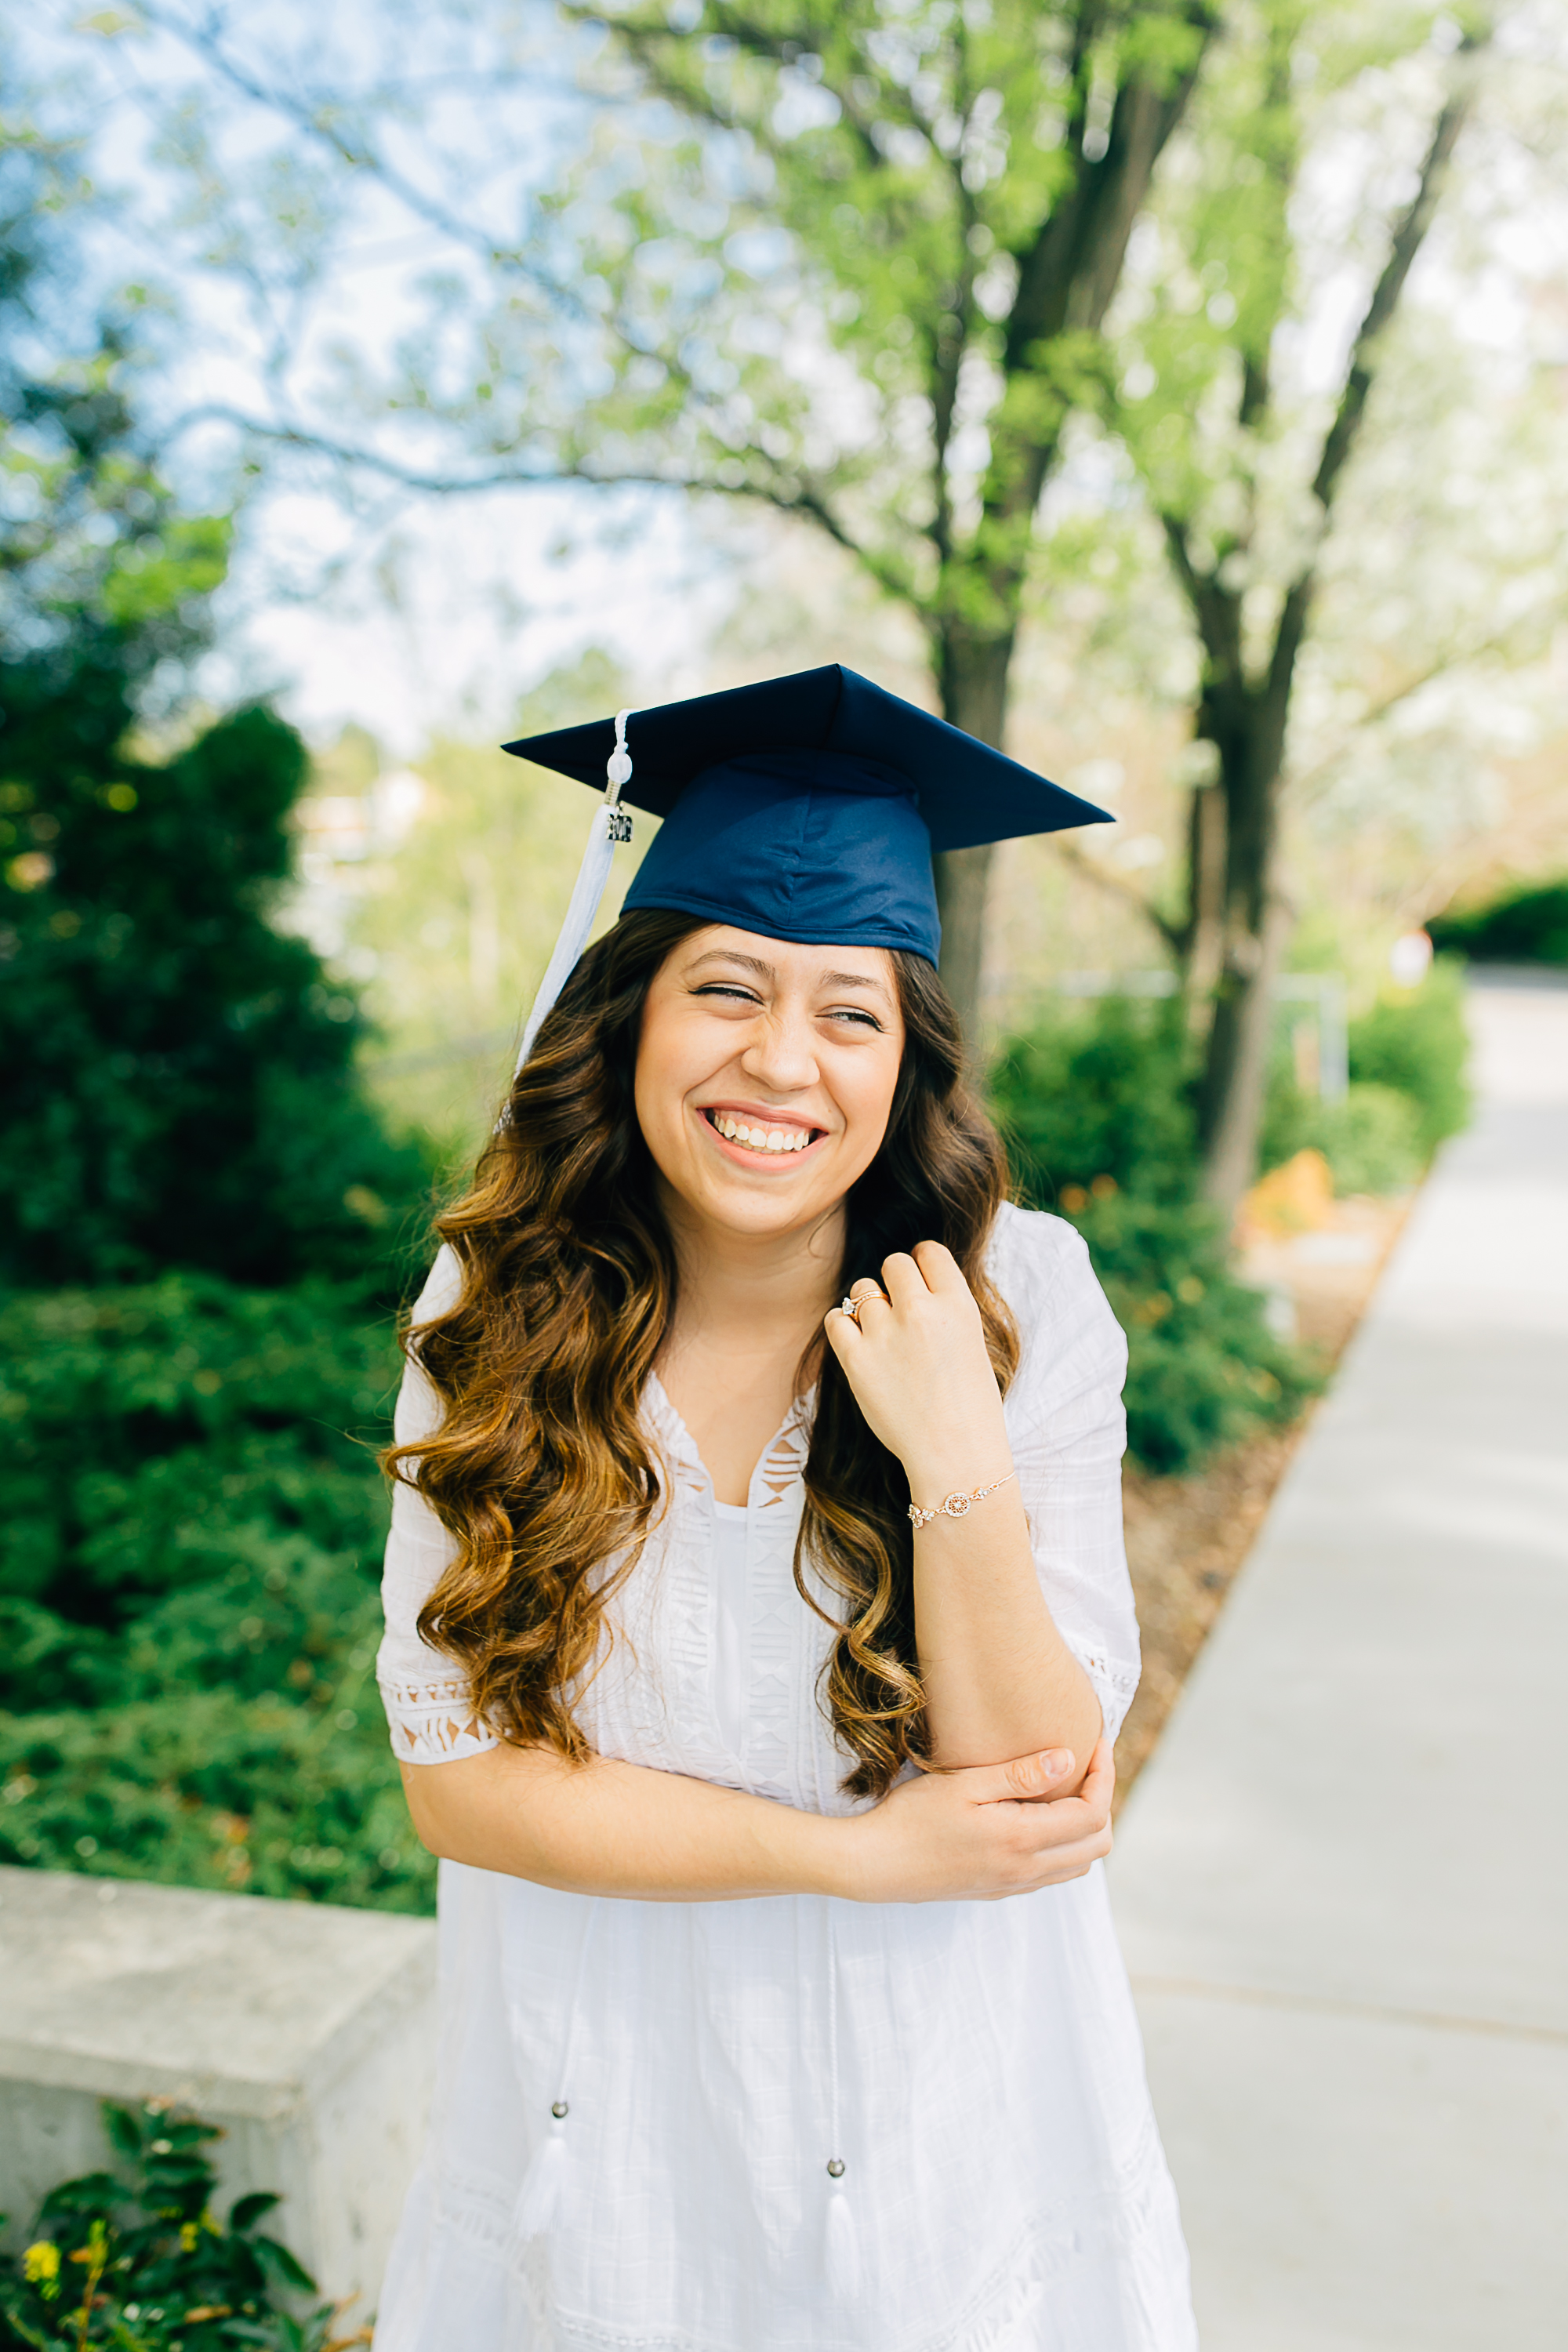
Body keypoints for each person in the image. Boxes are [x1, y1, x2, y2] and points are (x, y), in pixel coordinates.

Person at [372, 666, 1197, 2351]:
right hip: (594, 2115)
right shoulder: (493, 1307)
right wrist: (852, 1859)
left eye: (848, 1012)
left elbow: (1040, 1790)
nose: (779, 1059)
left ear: (905, 1063)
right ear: (630, 1019)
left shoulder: (1024, 1295)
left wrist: (955, 1458)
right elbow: (459, 1780)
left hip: (934, 2129)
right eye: (727, 989)